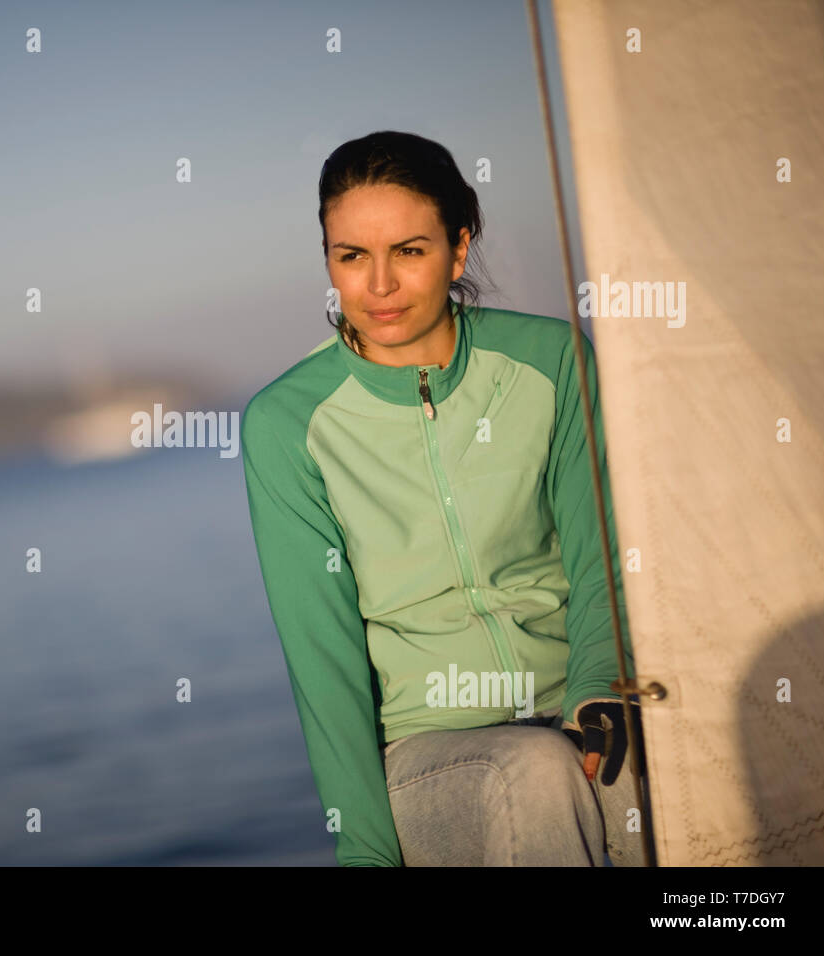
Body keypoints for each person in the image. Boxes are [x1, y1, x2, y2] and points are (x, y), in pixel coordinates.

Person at [239, 130, 643, 866]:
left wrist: (595, 692)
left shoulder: (550, 361)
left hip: (580, 703)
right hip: (428, 757)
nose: (380, 285)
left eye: (410, 250)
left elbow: (600, 559)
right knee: (533, 772)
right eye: (351, 256)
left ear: (459, 249)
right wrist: (365, 852)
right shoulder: (287, 423)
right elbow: (321, 659)